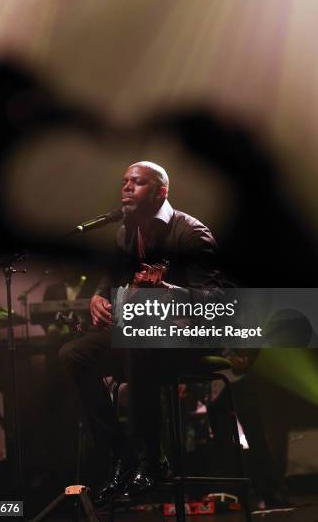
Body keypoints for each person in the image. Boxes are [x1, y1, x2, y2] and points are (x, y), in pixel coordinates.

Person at [59, 160, 226, 503]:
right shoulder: (125, 233)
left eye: (137, 182)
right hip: (143, 337)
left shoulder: (191, 233)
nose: (126, 187)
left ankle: (151, 458)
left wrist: (167, 289)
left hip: (189, 337)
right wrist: (97, 299)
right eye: (124, 181)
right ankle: (123, 454)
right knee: (74, 354)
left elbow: (213, 302)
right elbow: (110, 283)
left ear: (161, 191)